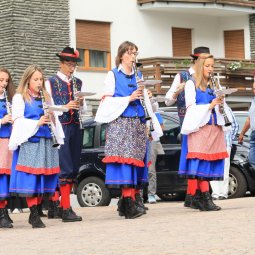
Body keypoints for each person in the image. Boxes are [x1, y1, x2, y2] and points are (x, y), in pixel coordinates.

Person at [95, 41, 160, 219]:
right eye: (131, 53)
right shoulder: (113, 75)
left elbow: (143, 101)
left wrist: (146, 97)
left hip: (137, 123)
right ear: (122, 55)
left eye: (135, 53)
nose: (133, 57)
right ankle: (128, 202)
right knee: (125, 163)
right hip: (121, 123)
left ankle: (128, 202)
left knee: (136, 163)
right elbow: (106, 101)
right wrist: (128, 98)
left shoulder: (138, 75)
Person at [9, 65, 64, 228]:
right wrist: (37, 122)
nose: (39, 82)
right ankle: (33, 213)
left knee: (44, 177)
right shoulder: (20, 97)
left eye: (41, 79)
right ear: (28, 80)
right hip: (31, 142)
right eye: (36, 79)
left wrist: (52, 117)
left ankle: (38, 209)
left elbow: (54, 118)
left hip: (47, 140)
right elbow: (17, 121)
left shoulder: (46, 97)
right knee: (31, 178)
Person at [178, 53, 229, 211]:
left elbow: (220, 107)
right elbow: (190, 108)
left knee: (210, 163)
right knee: (202, 164)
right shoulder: (191, 84)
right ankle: (205, 198)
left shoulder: (214, 85)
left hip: (214, 127)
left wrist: (221, 104)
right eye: (207, 66)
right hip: (199, 128)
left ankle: (201, 198)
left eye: (212, 66)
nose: (210, 69)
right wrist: (210, 105)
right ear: (200, 67)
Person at [165, 46, 211, 208]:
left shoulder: (207, 76)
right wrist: (177, 92)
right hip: (189, 121)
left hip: (205, 122)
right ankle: (193, 194)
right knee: (192, 157)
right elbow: (167, 100)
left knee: (201, 157)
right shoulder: (182, 76)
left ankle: (194, 195)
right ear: (197, 60)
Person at [45, 46, 87, 222]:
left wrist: (82, 103)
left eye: (74, 64)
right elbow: (48, 107)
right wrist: (65, 107)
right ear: (61, 63)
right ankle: (65, 208)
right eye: (69, 63)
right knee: (65, 167)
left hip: (76, 126)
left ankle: (58, 205)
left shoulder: (78, 82)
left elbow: (84, 110)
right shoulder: (50, 82)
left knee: (74, 166)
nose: (72, 67)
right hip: (60, 127)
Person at [210, 108, 239, 200]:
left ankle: (223, 193)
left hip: (225, 143)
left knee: (224, 168)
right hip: (212, 143)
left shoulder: (227, 109)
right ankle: (215, 193)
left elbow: (235, 125)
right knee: (213, 168)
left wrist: (229, 138)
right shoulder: (209, 108)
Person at [0, 68, 15, 228]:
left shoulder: (7, 100)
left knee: (6, 177)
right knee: (1, 177)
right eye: (1, 80)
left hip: (8, 141)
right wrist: (2, 120)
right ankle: (2, 212)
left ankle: (4, 211)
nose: (4, 84)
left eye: (6, 80)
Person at [147, 103, 164, 204]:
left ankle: (151, 194)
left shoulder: (155, 111)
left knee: (150, 168)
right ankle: (138, 194)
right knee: (139, 167)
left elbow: (161, 127)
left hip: (152, 137)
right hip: (138, 136)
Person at [238, 81, 255, 167]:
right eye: (254, 88)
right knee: (252, 161)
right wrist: (242, 134)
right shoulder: (253, 101)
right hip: (253, 134)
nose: (254, 91)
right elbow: (249, 119)